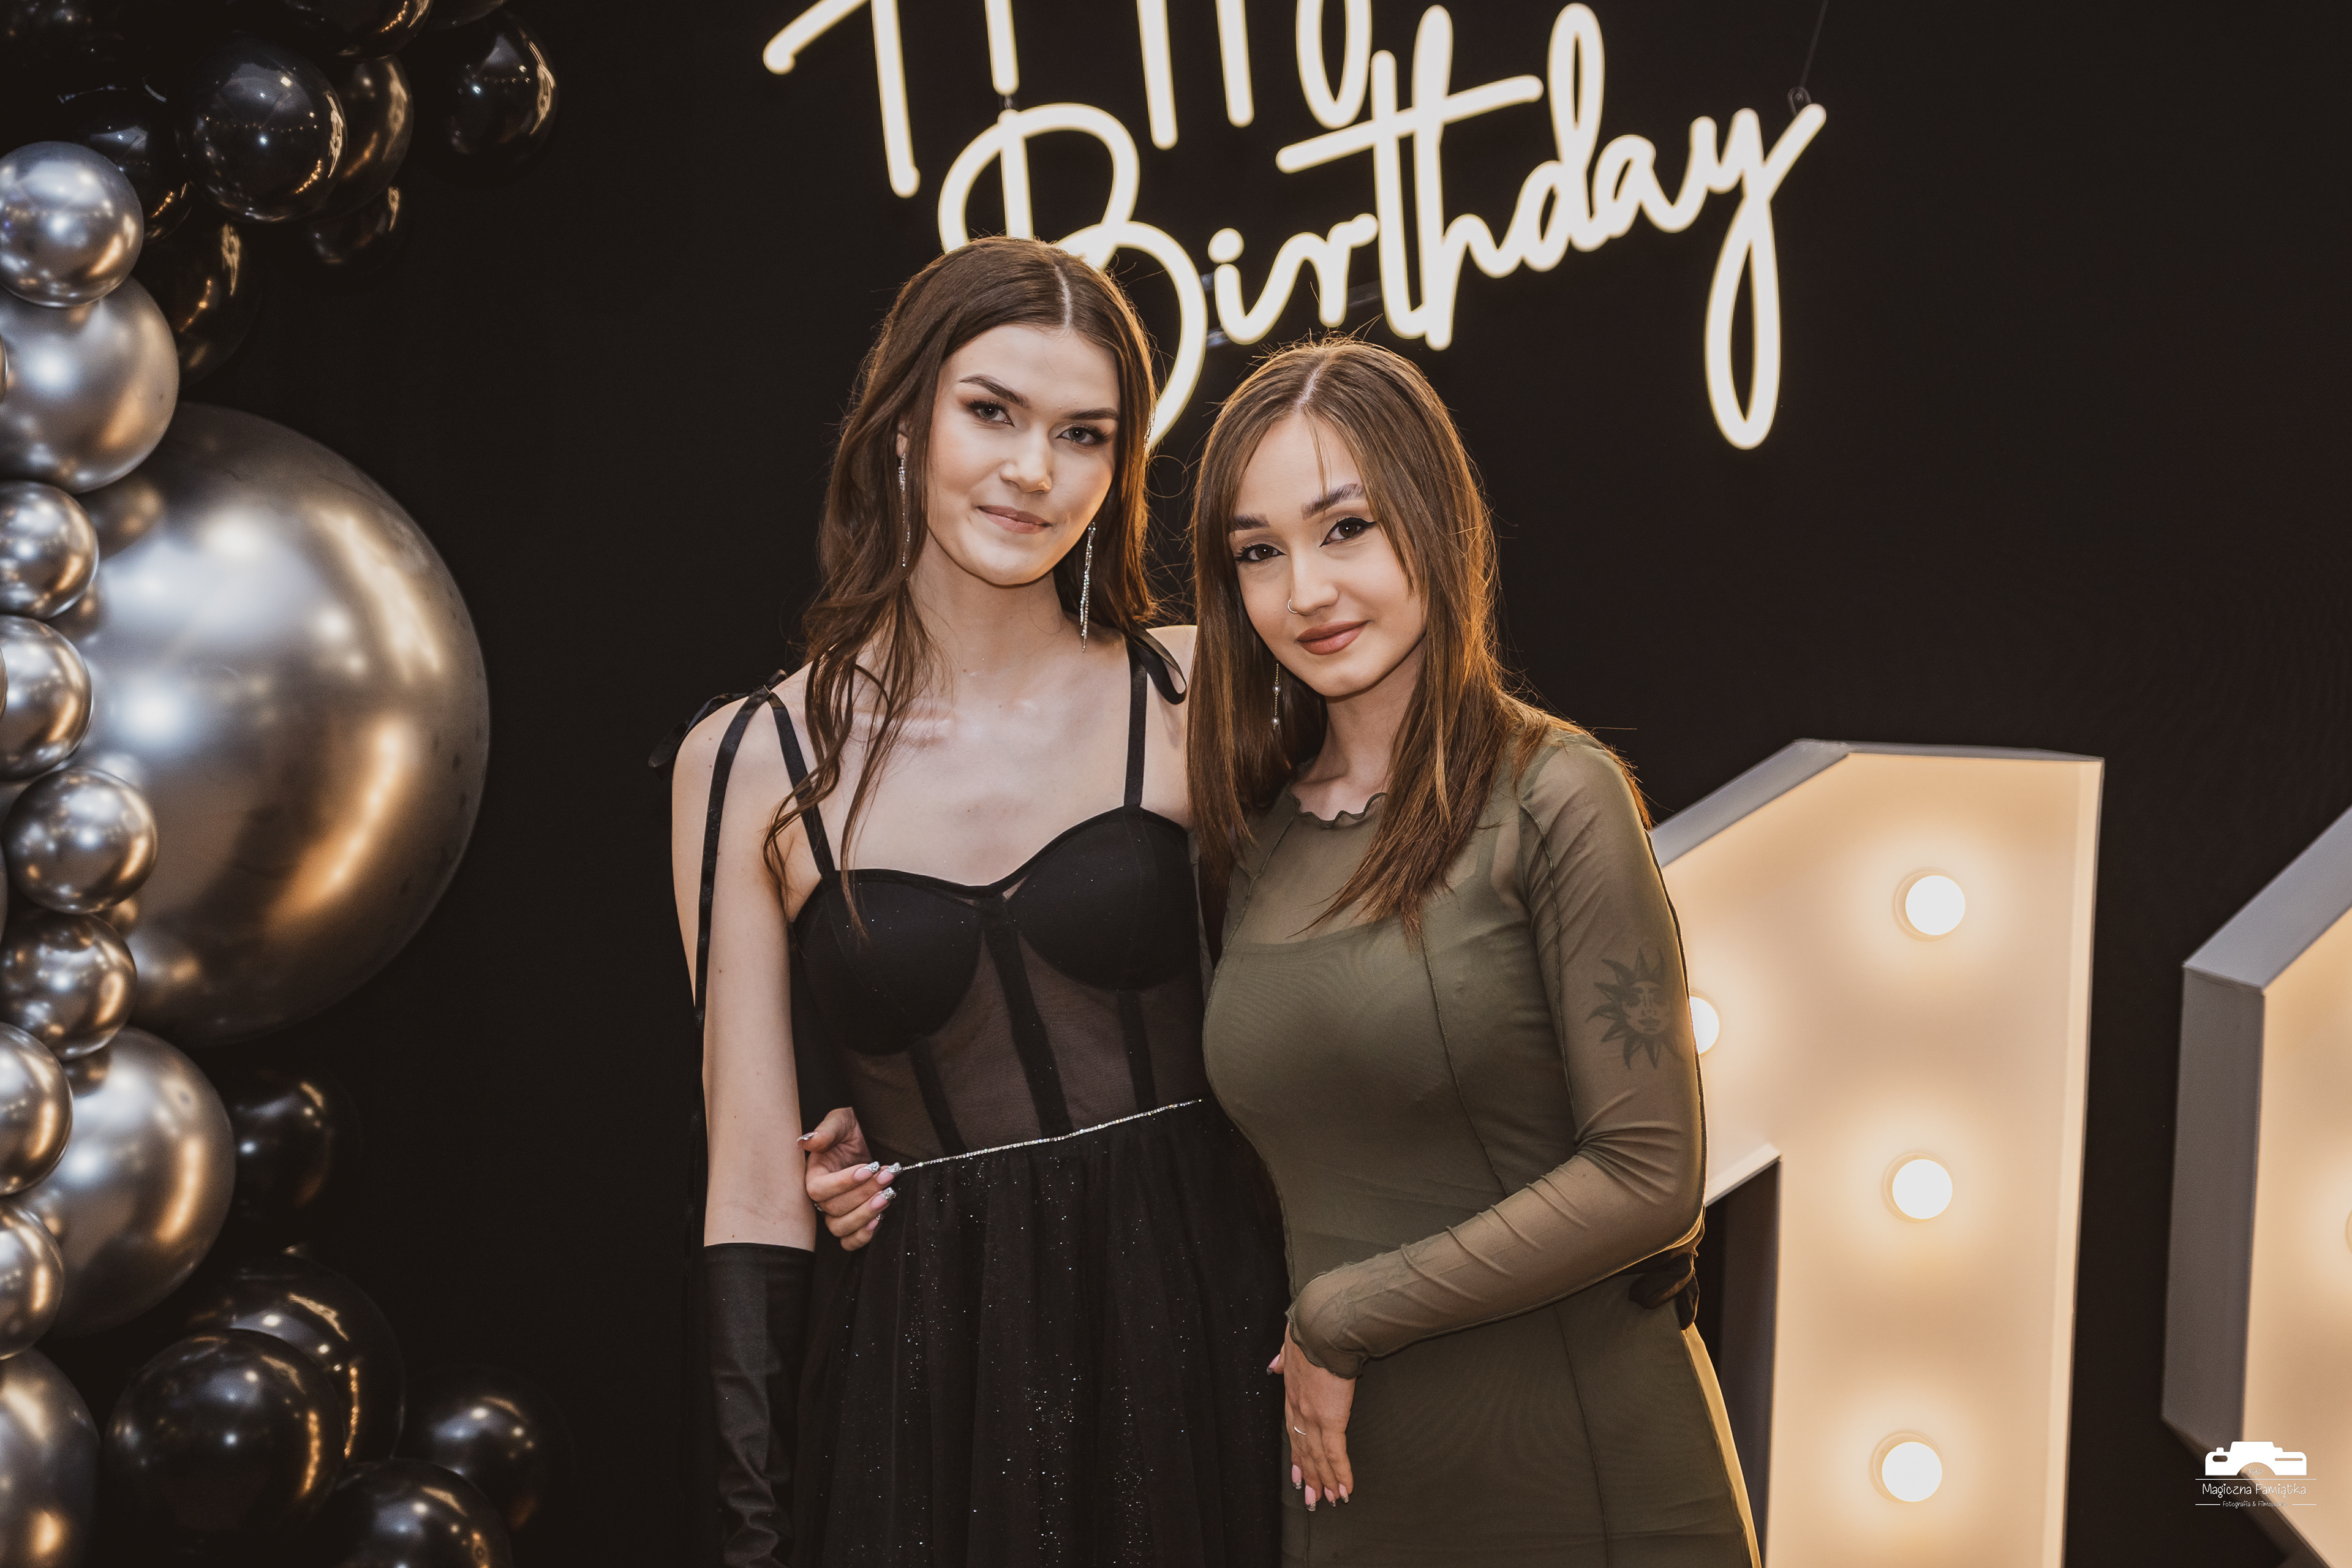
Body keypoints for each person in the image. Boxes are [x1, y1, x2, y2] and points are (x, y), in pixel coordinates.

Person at [668, 236, 1287, 1568]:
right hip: (926, 1389)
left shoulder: (1196, 692)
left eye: (1083, 434)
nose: (1033, 470)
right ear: (902, 425)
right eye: (992, 412)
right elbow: (753, 1186)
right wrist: (752, 1532)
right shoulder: (750, 760)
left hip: (1209, 1334)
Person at [1187, 339, 1759, 1567]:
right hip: (1350, 1490)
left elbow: (1650, 1172)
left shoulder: (1554, 793)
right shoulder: (1260, 835)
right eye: (1258, 552)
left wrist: (1343, 1312)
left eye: (1347, 528)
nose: (1305, 589)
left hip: (1583, 1479)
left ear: (1436, 523)